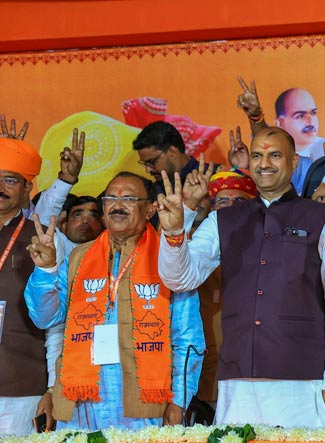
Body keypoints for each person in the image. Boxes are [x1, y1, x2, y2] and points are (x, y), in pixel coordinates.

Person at [157, 127, 325, 428]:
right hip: (239, 381)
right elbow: (180, 278)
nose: (264, 164)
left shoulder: (324, 218)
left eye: (274, 155)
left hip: (303, 379)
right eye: (257, 156)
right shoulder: (223, 219)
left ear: (294, 162)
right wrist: (174, 229)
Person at [23, 171, 204, 430]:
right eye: (110, 198)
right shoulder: (78, 258)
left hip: (143, 402)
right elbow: (45, 318)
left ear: (150, 208)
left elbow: (187, 339)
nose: (118, 205)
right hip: (81, 400)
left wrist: (179, 401)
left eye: (129, 198)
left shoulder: (172, 259)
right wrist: (46, 271)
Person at [192, 167, 256, 422]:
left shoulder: (269, 247)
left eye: (239, 200)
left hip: (255, 376)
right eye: (222, 201)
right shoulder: (196, 248)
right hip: (206, 381)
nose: (230, 207)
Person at [0, 138, 50, 436]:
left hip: (22, 385)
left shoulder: (42, 239)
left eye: (10, 180)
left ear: (27, 188)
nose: (1, 188)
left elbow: (56, 322)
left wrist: (54, 386)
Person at [133, 121, 199, 197]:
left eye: (151, 162)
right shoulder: (151, 192)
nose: (148, 170)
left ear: (172, 152)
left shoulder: (211, 180)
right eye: (145, 164)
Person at [274, 88, 324, 161]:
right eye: (300, 116)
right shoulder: (272, 153)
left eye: (313, 113)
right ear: (280, 123)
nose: (311, 121)